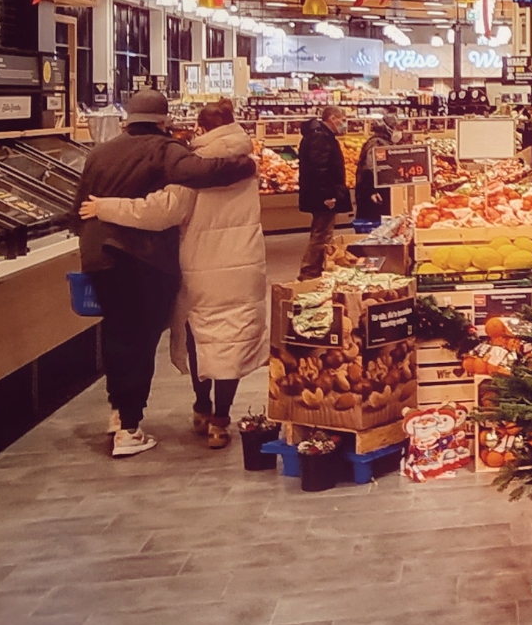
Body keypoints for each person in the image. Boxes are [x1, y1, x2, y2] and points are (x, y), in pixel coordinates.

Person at [74, 88, 256, 458]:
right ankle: (131, 426)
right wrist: (243, 165)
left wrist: (96, 228)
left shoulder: (99, 153)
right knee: (142, 341)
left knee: (116, 334)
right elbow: (196, 175)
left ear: (127, 119)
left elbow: (78, 207)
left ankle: (119, 412)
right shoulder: (167, 149)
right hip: (144, 258)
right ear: (163, 120)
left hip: (100, 257)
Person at [297, 105, 350, 278]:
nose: (344, 124)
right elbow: (320, 169)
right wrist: (328, 195)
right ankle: (309, 272)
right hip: (322, 196)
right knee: (321, 234)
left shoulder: (319, 136)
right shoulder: (321, 138)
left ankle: (318, 269)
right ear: (332, 118)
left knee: (322, 232)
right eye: (343, 120)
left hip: (318, 194)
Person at [354, 118, 395, 226]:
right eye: (396, 128)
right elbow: (369, 168)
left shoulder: (383, 142)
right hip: (374, 193)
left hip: (378, 190)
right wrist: (371, 191)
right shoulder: (376, 144)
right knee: (374, 223)